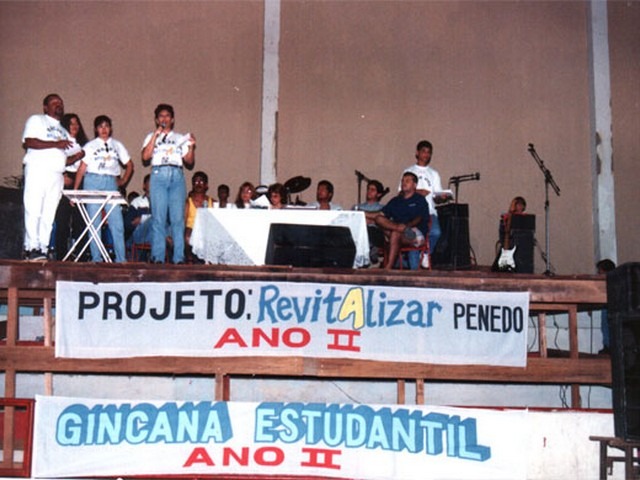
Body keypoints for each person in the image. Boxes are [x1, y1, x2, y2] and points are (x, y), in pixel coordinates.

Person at [21, 94, 84, 261]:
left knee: (49, 213)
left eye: (61, 102)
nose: (59, 105)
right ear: (45, 107)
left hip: (56, 174)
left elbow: (62, 159)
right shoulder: (37, 120)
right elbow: (29, 142)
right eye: (54, 102)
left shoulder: (63, 130)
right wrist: (57, 144)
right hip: (38, 169)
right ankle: (31, 247)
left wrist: (76, 157)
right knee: (34, 209)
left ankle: (43, 247)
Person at [73, 115, 133, 263]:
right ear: (96, 129)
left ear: (110, 128)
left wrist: (123, 180)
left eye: (106, 126)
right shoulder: (90, 146)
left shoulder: (117, 145)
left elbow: (129, 164)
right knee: (94, 222)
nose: (104, 129)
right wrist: (75, 191)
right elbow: (82, 168)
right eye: (100, 126)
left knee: (117, 222)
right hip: (93, 180)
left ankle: (121, 259)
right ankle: (96, 258)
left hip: (111, 182)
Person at [141, 103, 196, 264]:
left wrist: (191, 147)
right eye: (161, 116)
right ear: (156, 120)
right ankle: (157, 257)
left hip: (176, 175)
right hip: (158, 175)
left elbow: (189, 161)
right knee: (158, 218)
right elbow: (145, 157)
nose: (164, 119)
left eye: (167, 116)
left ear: (172, 119)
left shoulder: (180, 138)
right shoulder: (151, 136)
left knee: (177, 219)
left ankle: (178, 257)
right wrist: (155, 136)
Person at [53, 113, 90, 260]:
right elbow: (57, 161)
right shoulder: (61, 142)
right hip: (65, 178)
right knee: (62, 219)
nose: (75, 126)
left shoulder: (84, 144)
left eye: (77, 123)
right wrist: (63, 176)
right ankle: (61, 254)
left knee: (80, 219)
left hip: (80, 181)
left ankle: (81, 253)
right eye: (71, 123)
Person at [375, 172, 430, 270]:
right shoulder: (396, 201)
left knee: (395, 233)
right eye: (402, 181)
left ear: (414, 185)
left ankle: (388, 267)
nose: (404, 183)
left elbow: (420, 218)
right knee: (379, 219)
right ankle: (399, 229)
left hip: (415, 233)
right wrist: (364, 214)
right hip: (399, 231)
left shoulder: (420, 200)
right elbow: (381, 215)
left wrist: (407, 226)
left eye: (407, 181)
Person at [400, 140, 443, 252]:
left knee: (436, 232)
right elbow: (400, 192)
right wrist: (418, 192)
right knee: (413, 236)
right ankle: (414, 258)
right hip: (412, 211)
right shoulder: (409, 170)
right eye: (424, 151)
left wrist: (441, 197)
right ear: (417, 153)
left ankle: (426, 253)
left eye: (429, 152)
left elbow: (436, 196)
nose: (426, 155)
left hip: (429, 211)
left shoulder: (434, 174)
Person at [353, 179, 386, 264]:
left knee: (371, 230)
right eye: (368, 189)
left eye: (372, 190)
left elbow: (383, 220)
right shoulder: (357, 207)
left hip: (375, 233)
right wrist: (371, 219)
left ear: (379, 194)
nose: (369, 192)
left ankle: (371, 249)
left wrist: (368, 218)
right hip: (359, 232)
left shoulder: (383, 208)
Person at [185, 171, 214, 263]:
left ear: (206, 185)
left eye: (201, 181)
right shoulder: (188, 202)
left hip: (207, 229)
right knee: (187, 235)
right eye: (196, 181)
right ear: (193, 185)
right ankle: (189, 259)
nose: (198, 184)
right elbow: (183, 221)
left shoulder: (212, 202)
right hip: (191, 228)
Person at [125, 174, 152, 261]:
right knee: (153, 221)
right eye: (150, 182)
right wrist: (138, 221)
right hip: (139, 234)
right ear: (144, 185)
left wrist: (143, 218)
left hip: (155, 234)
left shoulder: (161, 202)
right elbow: (128, 224)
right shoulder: (137, 202)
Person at [597, 258, 616, 355]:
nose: (598, 274)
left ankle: (609, 346)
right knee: (604, 326)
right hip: (605, 306)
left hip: (611, 307)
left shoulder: (613, 283)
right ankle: (607, 346)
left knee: (607, 325)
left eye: (600, 272)